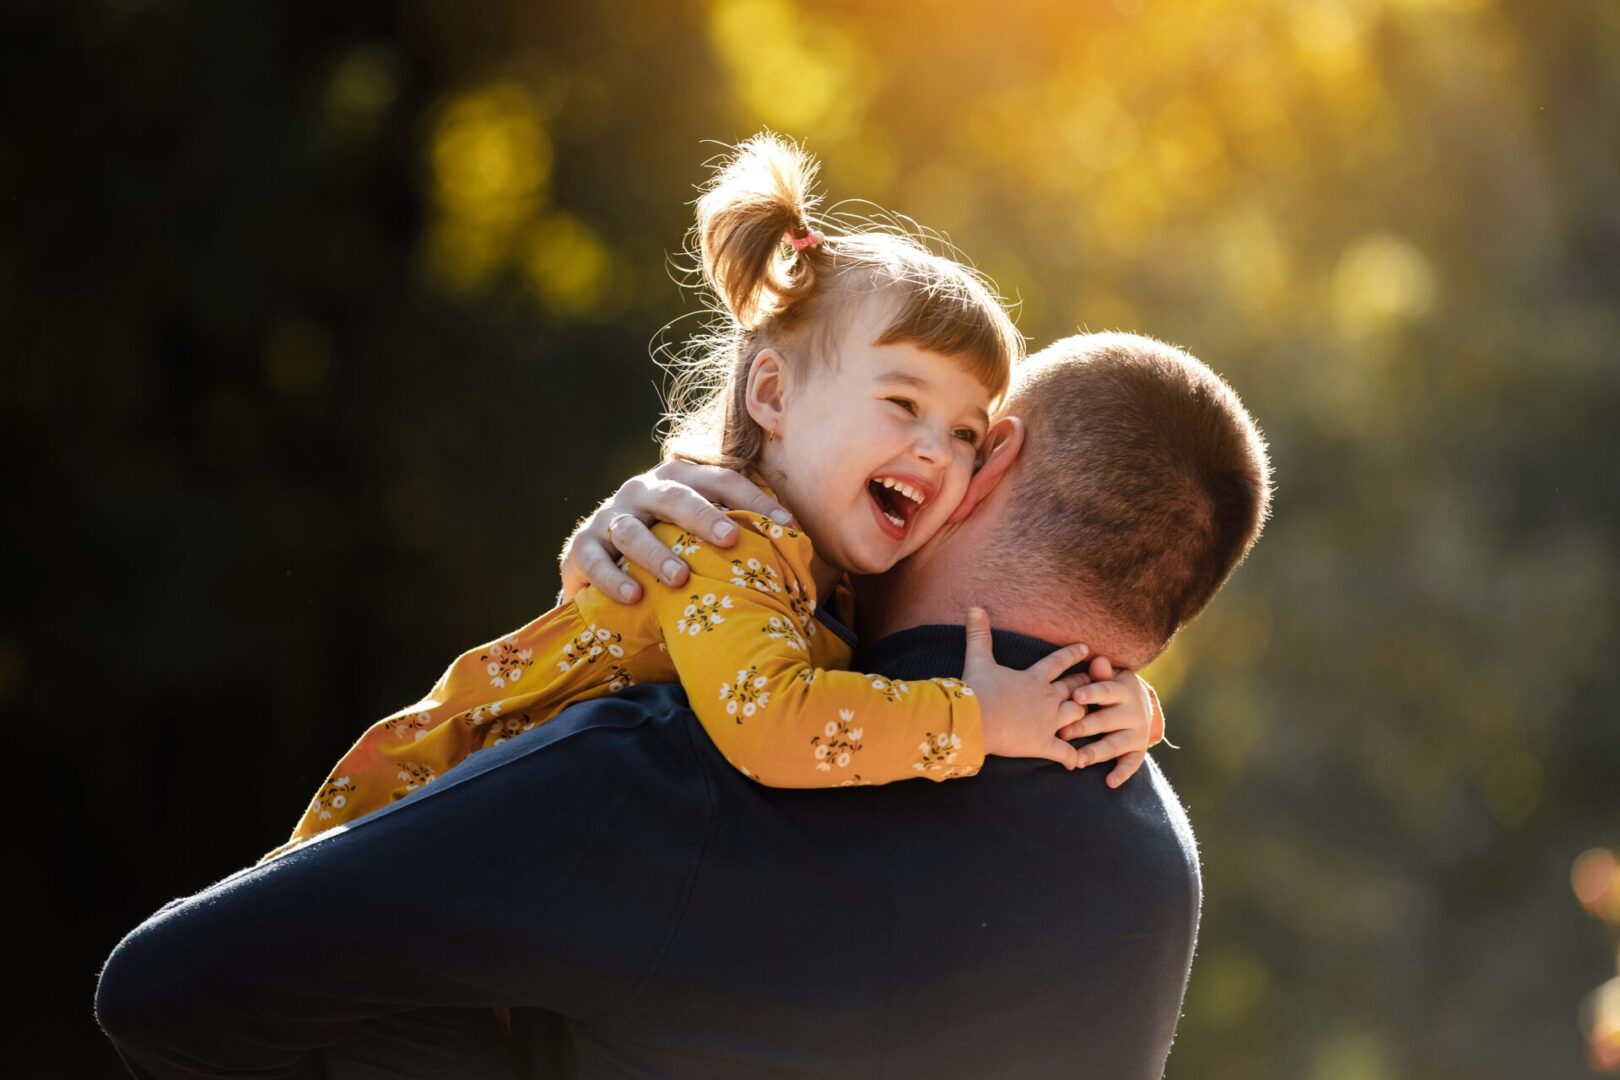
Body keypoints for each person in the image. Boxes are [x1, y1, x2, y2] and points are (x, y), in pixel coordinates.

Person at [96, 330, 1272, 1079]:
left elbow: (169, 991)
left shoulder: (670, 775)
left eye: (955, 431)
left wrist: (650, 614)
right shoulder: (1154, 866)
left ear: (993, 460)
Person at [279, 133, 1158, 855]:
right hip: (406, 843)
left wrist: (1115, 707)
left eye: (968, 433)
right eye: (903, 403)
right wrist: (975, 723)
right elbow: (773, 725)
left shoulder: (834, 576)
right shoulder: (719, 542)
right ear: (772, 396)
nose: (937, 450)